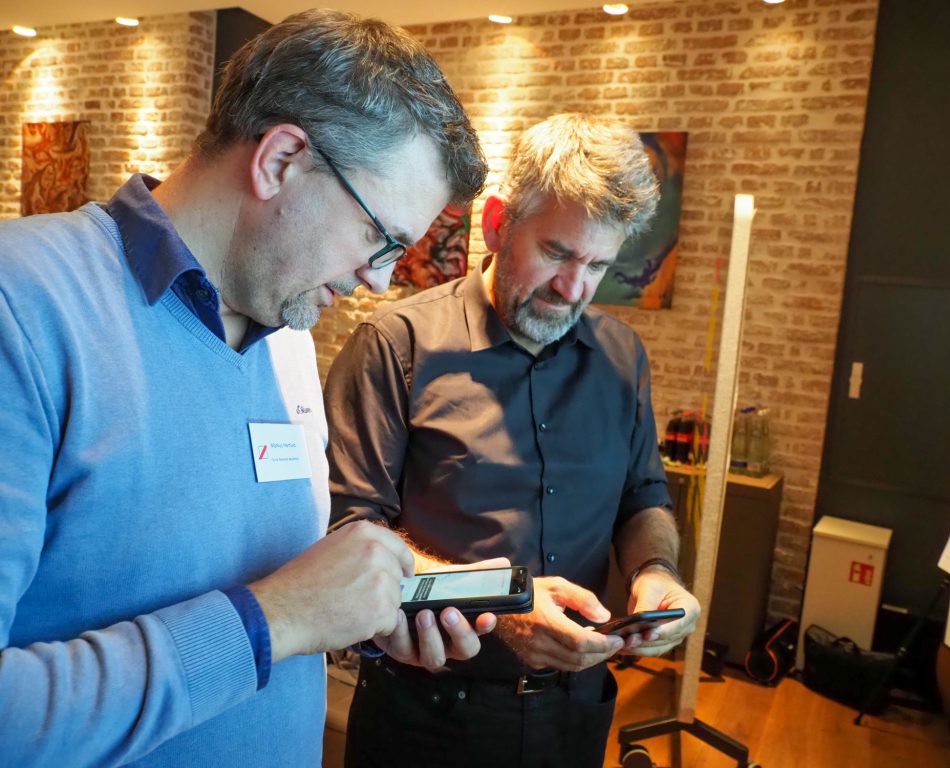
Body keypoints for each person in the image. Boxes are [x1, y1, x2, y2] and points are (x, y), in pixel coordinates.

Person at [0, 10, 491, 767]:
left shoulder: (287, 329)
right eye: (380, 238)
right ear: (281, 159)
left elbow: (261, 567)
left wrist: (370, 600)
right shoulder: (22, 305)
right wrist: (273, 621)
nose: (380, 280)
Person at [325, 112, 702, 768]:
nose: (574, 288)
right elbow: (350, 538)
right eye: (557, 253)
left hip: (574, 714)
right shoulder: (395, 346)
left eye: (598, 265)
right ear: (497, 223)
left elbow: (643, 496)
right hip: (428, 714)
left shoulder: (622, 356)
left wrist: (656, 573)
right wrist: (499, 606)